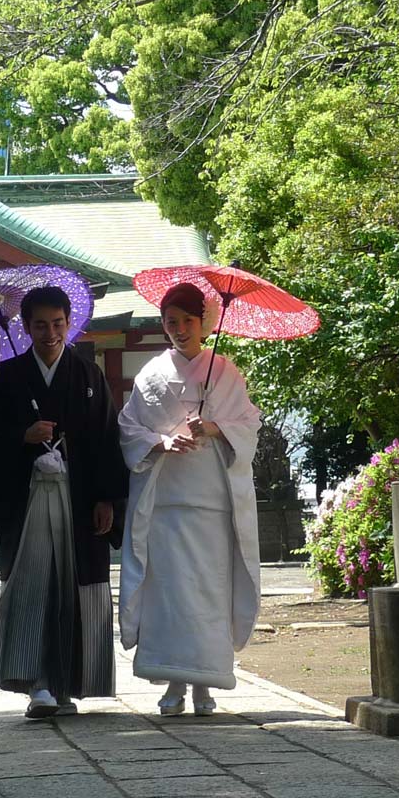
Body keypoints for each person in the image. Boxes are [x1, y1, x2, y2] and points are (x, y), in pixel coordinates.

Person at [0, 284, 127, 719]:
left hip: (79, 500)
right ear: (24, 327)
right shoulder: (7, 378)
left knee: (77, 589)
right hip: (29, 502)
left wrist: (107, 498)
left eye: (58, 324)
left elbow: (106, 440)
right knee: (34, 585)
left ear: (69, 324)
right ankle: (36, 683)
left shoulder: (88, 375)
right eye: (40, 325)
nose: (50, 333)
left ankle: (68, 684)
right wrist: (22, 437)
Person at [116, 282, 262, 716]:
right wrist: (160, 441)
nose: (179, 329)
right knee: (170, 595)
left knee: (208, 593)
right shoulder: (150, 375)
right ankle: (174, 682)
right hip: (167, 502)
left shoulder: (225, 372)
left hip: (211, 502)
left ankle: (205, 685)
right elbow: (128, 427)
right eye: (171, 322)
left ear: (205, 323)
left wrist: (216, 427)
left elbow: (248, 423)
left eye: (187, 321)